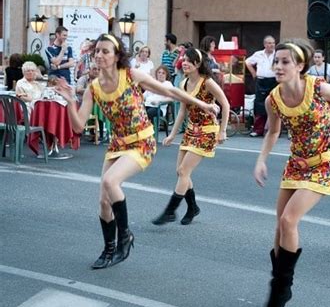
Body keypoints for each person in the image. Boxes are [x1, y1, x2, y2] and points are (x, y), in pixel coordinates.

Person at [55, 33, 218, 270]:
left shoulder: (131, 75)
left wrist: (203, 104)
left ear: (117, 55)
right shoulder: (93, 88)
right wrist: (71, 101)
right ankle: (109, 249)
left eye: (105, 51)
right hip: (117, 145)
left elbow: (170, 91)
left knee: (111, 181)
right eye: (97, 51)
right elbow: (78, 126)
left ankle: (125, 238)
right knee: (103, 202)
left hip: (142, 141)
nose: (99, 55)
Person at [254, 39, 330, 307]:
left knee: (289, 220)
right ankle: (280, 285)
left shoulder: (318, 87)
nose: (278, 66)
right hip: (296, 164)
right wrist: (261, 160)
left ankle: (280, 287)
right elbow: (273, 132)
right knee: (279, 227)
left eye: (285, 62)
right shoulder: (272, 99)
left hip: (324, 163)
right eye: (276, 61)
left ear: (300, 66)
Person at [152, 47, 230, 226]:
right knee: (180, 171)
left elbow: (224, 103)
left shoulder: (207, 82)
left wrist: (223, 130)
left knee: (184, 172)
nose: (184, 63)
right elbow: (182, 111)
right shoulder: (183, 83)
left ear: (197, 64)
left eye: (189, 60)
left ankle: (170, 211)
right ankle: (193, 207)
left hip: (207, 131)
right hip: (190, 131)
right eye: (183, 60)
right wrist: (172, 134)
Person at [245, 35, 277, 136]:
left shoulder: (277, 54)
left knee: (274, 105)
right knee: (259, 105)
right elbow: (247, 62)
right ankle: (258, 129)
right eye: (269, 43)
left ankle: (273, 129)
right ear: (264, 44)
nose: (271, 45)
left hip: (274, 81)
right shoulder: (258, 54)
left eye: (273, 43)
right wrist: (253, 73)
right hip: (261, 81)